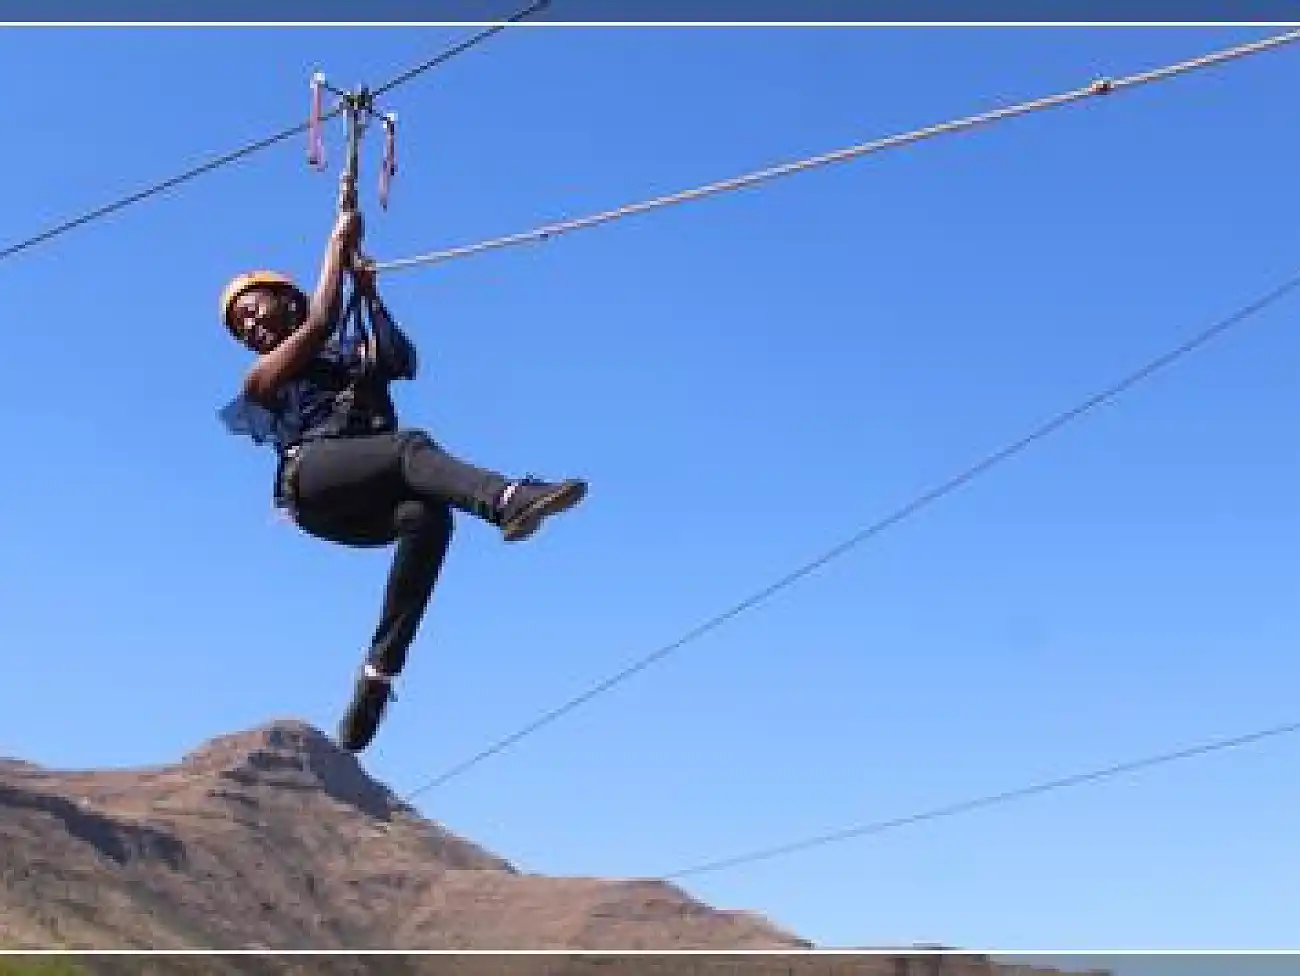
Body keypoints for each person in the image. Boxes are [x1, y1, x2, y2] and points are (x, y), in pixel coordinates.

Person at [217, 208, 588, 753]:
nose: (250, 328)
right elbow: (320, 318)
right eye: (240, 328)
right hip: (314, 478)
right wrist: (336, 246)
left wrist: (368, 296)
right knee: (411, 448)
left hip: (362, 487)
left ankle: (377, 675)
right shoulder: (262, 377)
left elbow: (399, 359)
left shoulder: (342, 353)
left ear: (284, 298)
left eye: (252, 312)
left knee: (426, 517)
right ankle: (507, 499)